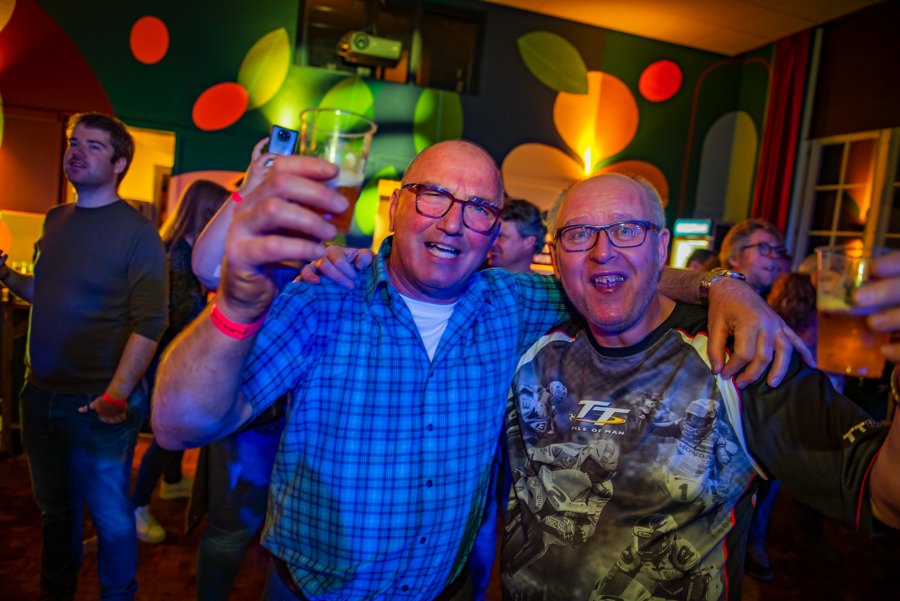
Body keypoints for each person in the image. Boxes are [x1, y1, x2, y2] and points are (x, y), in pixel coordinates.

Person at [152, 140, 803, 600]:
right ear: (395, 206)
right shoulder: (326, 298)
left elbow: (618, 275)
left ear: (494, 232)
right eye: (434, 196)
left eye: (479, 208)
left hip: (448, 590)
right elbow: (178, 424)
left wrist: (723, 285)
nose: (453, 222)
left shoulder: (516, 304)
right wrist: (236, 309)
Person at [499, 172, 900, 600]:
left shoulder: (737, 355)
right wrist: (715, 282)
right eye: (579, 234)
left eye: (627, 230)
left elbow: (885, 498)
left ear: (661, 247)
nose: (603, 251)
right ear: (555, 256)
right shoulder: (527, 346)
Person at [0, 113, 168, 601]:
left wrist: (117, 395)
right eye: (74, 142)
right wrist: (6, 276)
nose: (76, 151)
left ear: (119, 164)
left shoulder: (138, 233)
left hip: (98, 403)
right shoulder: (55, 219)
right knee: (56, 512)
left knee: (111, 518)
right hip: (40, 394)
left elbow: (151, 322)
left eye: (93, 146)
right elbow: (45, 292)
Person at [188, 138, 293, 601]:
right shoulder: (248, 246)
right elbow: (204, 266)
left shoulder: (312, 251)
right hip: (251, 415)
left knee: (285, 532)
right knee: (231, 529)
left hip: (299, 418)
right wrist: (248, 185)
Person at [131, 179, 229, 544]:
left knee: (177, 426)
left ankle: (171, 481)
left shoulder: (184, 247)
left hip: (172, 349)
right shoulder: (177, 254)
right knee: (168, 431)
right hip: (166, 353)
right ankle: (137, 506)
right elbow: (173, 315)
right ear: (207, 212)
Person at [718, 218, 787, 296]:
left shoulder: (777, 299)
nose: (774, 255)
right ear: (734, 258)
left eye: (776, 250)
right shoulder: (715, 294)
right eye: (763, 247)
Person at [488, 198, 546, 273]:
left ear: (529, 242)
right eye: (493, 234)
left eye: (501, 236)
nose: (492, 243)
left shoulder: (541, 281)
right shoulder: (476, 277)